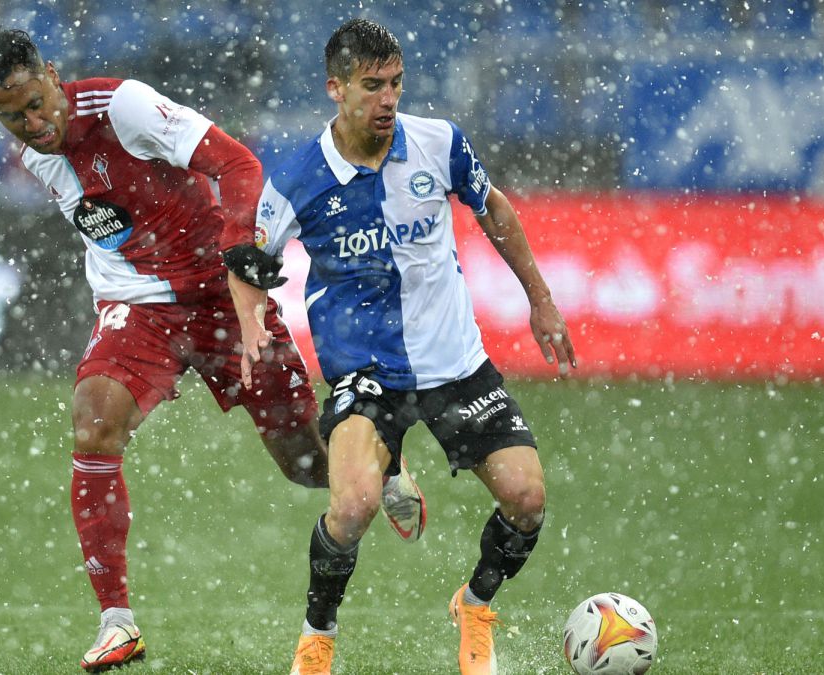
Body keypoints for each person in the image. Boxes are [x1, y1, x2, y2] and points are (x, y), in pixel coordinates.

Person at [0, 28, 426, 672]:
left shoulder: (122, 107)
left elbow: (238, 165)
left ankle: (384, 462)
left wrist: (240, 245)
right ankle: (116, 622)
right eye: (11, 116)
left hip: (220, 296)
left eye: (37, 102)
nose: (32, 123)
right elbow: (110, 223)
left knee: (306, 467)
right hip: (138, 304)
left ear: (52, 74)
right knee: (94, 423)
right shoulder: (39, 155)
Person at [225, 18, 577, 675]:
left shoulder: (439, 144)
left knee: (527, 501)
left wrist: (541, 298)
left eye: (396, 84)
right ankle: (316, 636)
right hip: (364, 370)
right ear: (336, 88)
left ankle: (474, 605)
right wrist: (250, 325)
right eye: (371, 86)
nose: (387, 99)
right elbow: (248, 263)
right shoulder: (300, 177)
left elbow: (493, 207)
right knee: (351, 505)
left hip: (455, 365)